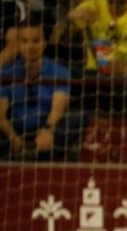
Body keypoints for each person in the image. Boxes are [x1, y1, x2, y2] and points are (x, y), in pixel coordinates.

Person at [0, 17, 80, 160]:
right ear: (18, 44)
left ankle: (37, 153)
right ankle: (22, 152)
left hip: (45, 127)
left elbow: (58, 107)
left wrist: (48, 130)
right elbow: (1, 116)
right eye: (25, 41)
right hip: (16, 128)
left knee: (76, 119)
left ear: (44, 43)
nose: (31, 46)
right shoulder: (6, 72)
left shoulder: (60, 71)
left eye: (36, 41)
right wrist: (13, 137)